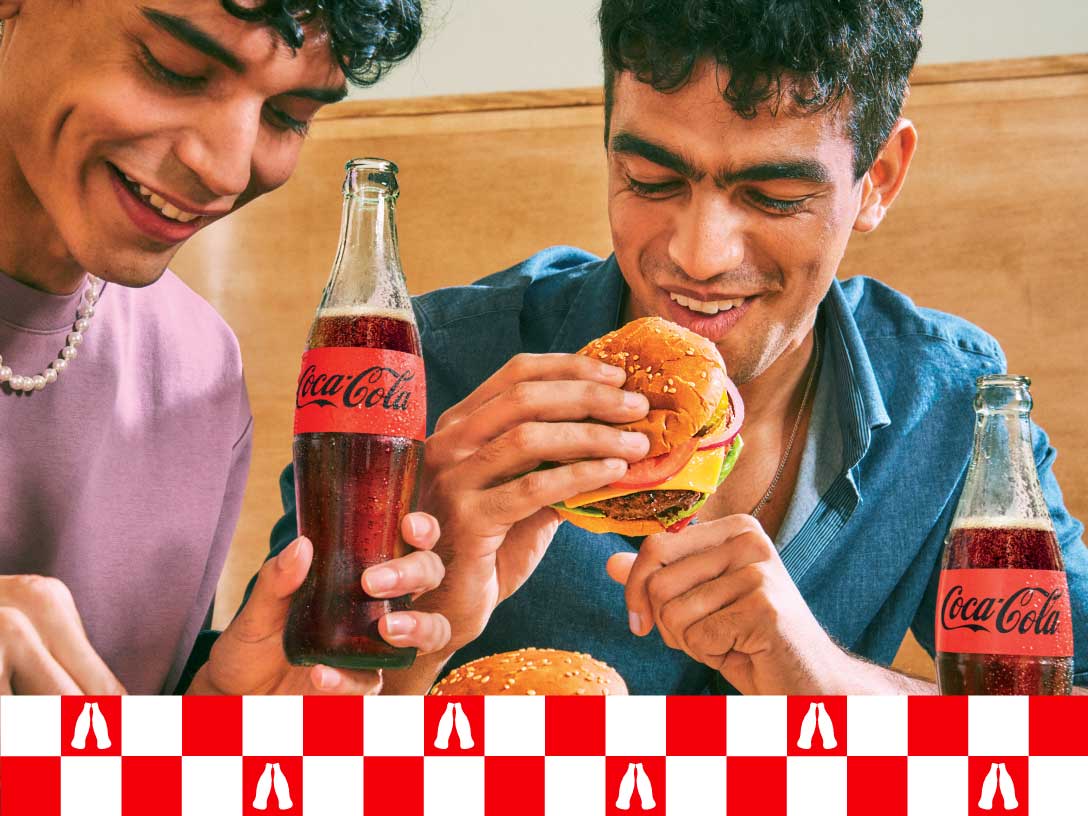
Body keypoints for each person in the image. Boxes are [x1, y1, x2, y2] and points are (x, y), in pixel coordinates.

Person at [265, 0, 1088, 695]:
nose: (699, 255)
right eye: (652, 182)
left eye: (773, 195)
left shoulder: (950, 402)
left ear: (878, 181)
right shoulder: (426, 370)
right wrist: (412, 636)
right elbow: (253, 758)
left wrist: (827, 685)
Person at [0, 1, 450, 696]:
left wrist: (213, 722)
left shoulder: (200, 370)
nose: (227, 170)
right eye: (175, 68)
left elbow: (119, 778)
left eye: (288, 115)